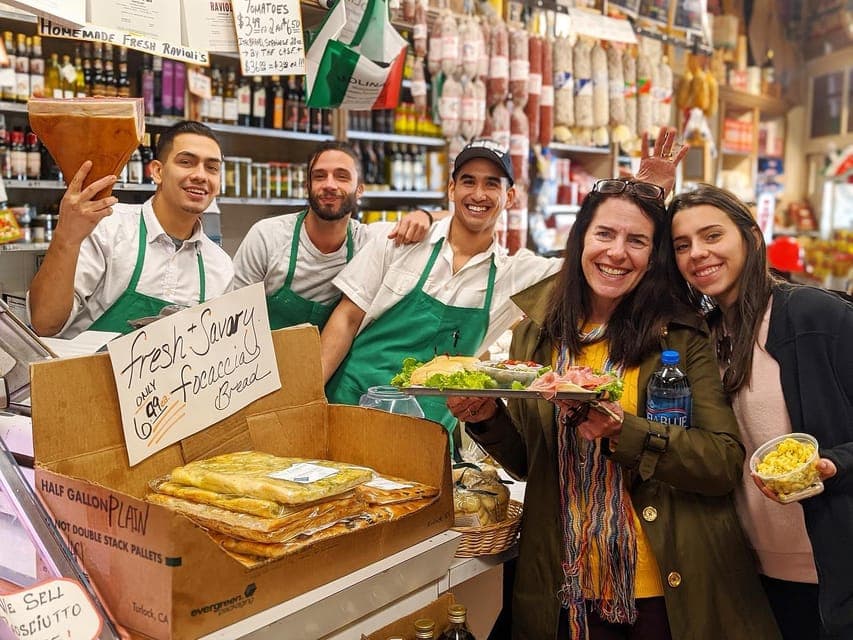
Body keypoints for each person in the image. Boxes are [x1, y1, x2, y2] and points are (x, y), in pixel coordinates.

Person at [446, 179, 781, 639]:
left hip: (658, 588)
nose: (617, 253)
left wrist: (626, 433)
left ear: (654, 255)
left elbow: (722, 461)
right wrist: (485, 418)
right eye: (605, 234)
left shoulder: (679, 335)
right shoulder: (539, 333)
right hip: (564, 586)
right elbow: (533, 463)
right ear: (581, 237)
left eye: (637, 241)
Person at [321, 132, 686, 442]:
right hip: (350, 406)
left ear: (510, 197)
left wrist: (645, 196)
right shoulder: (397, 241)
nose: (479, 194)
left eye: (492, 184)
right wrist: (303, 399)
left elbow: (606, 262)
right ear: (451, 188)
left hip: (426, 432)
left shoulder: (517, 273)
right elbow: (345, 320)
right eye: (468, 181)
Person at [668, 184, 853, 640]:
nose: (698, 253)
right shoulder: (700, 339)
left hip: (832, 578)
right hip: (746, 576)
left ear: (750, 237)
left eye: (712, 236)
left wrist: (836, 463)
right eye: (682, 245)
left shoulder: (814, 316)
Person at [28, 120, 234, 338]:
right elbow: (45, 324)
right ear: (157, 172)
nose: (201, 176)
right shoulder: (106, 227)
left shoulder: (220, 267)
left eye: (212, 168)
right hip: (86, 371)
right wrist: (66, 238)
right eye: (186, 162)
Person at [232, 141, 437, 330]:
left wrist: (426, 215)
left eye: (342, 176)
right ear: (307, 187)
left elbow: (455, 222)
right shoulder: (267, 236)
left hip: (336, 366)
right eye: (319, 176)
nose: (330, 184)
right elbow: (234, 317)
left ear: (359, 190)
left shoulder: (369, 241)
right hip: (265, 363)